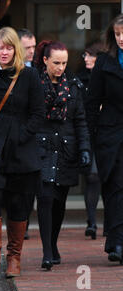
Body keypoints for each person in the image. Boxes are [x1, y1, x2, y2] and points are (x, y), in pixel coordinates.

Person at [0, 27, 45, 278]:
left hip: (22, 152)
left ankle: (14, 258)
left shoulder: (30, 76)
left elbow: (38, 113)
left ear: (17, 49)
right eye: (0, 48)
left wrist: (22, 136)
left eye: (9, 47)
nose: (4, 52)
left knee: (18, 203)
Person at [34, 40, 91, 270]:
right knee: (45, 198)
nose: (60, 67)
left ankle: (53, 244)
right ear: (45, 60)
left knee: (59, 202)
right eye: (56, 62)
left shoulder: (73, 85)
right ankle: (47, 251)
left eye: (64, 63)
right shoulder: (35, 84)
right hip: (43, 148)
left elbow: (80, 121)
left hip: (67, 149)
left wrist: (85, 148)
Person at [85, 14, 123, 265]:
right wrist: (95, 135)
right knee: (116, 188)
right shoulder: (104, 63)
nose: (122, 39)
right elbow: (91, 103)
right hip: (112, 135)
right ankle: (117, 242)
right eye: (118, 34)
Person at [77, 40, 104, 240]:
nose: (86, 58)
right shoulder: (80, 79)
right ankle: (92, 221)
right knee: (92, 176)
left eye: (90, 55)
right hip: (89, 133)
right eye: (84, 55)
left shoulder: (109, 76)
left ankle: (111, 223)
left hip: (108, 133)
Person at [17, 28, 37, 239]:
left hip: (32, 136)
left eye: (33, 47)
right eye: (27, 47)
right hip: (13, 137)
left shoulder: (37, 70)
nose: (31, 51)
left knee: (29, 187)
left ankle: (24, 224)